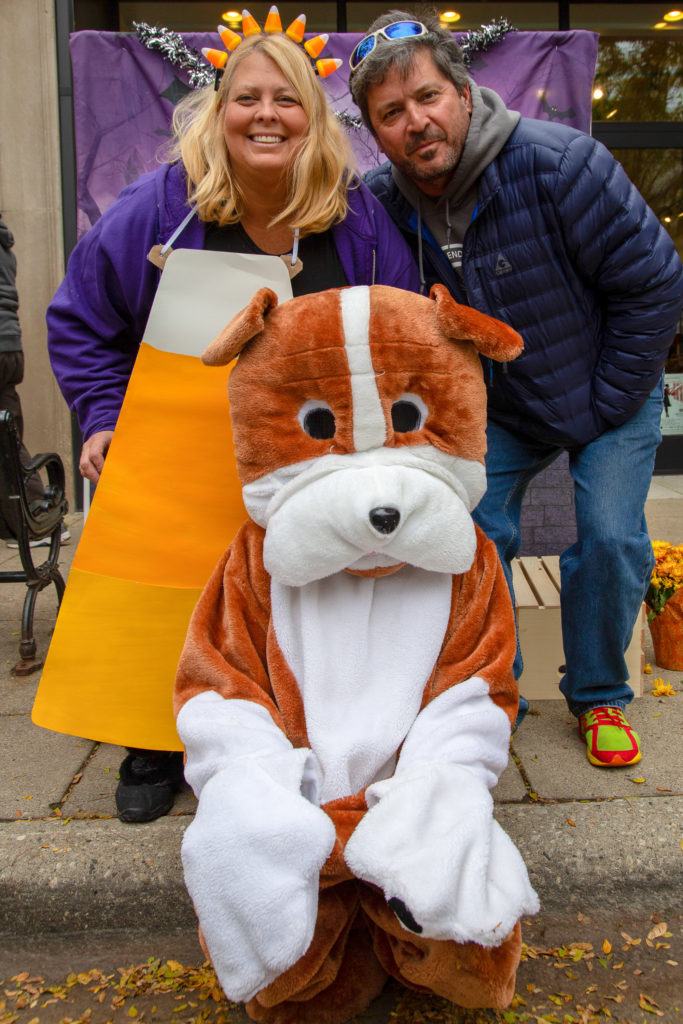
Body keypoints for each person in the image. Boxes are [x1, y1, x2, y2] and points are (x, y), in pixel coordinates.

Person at [46, 18, 420, 823]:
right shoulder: (159, 208)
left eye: (286, 100)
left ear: (312, 120)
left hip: (309, 454)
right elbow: (81, 319)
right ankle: (154, 736)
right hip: (181, 450)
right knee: (172, 593)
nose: (265, 114)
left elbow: (400, 326)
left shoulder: (352, 219)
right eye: (246, 97)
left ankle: (290, 728)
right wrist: (105, 420)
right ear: (217, 114)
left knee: (300, 590)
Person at [350, 10, 683, 768]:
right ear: (374, 131)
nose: (416, 122)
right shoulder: (382, 205)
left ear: (464, 93)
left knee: (608, 535)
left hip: (611, 386)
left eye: (427, 96)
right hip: (504, 404)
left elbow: (655, 288)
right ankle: (493, 692)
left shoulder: (560, 163)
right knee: (466, 532)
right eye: (391, 113)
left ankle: (598, 696)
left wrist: (603, 404)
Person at [0, 214, 70, 546]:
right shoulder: (5, 245)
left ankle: (33, 520)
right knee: (7, 438)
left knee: (5, 441)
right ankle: (32, 519)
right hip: (8, 346)